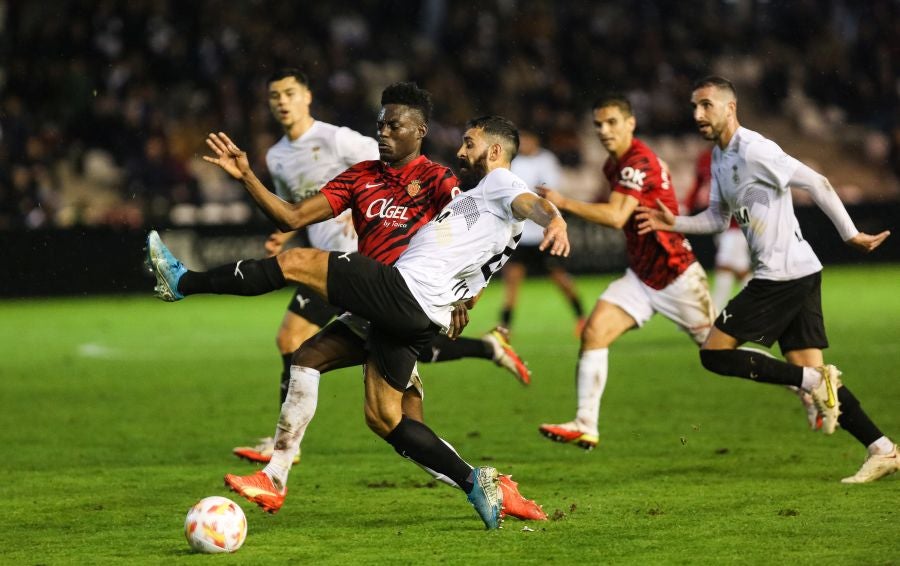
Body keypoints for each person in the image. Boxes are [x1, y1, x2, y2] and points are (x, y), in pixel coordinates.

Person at [148, 115, 569, 529]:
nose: (461, 150)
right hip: (420, 313)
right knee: (375, 410)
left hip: (404, 292)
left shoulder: (501, 183)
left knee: (296, 262)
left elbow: (531, 203)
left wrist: (555, 220)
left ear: (495, 150)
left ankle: (183, 281)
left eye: (469, 142)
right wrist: (463, 299)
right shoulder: (482, 204)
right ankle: (478, 482)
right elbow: (474, 264)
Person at [230, 72, 530, 465]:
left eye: (289, 93)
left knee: (348, 377)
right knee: (334, 371)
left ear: (307, 96)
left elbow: (463, 238)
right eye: (274, 95)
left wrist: (461, 293)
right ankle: (281, 460)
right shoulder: (276, 156)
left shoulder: (341, 141)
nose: (281, 101)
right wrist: (288, 230)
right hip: (361, 278)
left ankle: (283, 453)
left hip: (378, 276)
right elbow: (296, 210)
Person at [637, 75, 897, 483]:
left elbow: (817, 182)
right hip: (800, 272)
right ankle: (882, 448)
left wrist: (851, 234)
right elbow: (718, 219)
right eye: (694, 107)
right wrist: (676, 223)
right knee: (821, 386)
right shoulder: (720, 158)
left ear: (730, 107)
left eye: (706, 105)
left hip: (782, 277)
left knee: (714, 353)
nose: (697, 114)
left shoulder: (756, 149)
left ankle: (812, 381)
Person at [536, 95, 715, 450]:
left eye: (612, 122)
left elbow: (617, 216)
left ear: (631, 123)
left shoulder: (638, 162)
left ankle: (805, 382)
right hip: (642, 276)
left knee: (722, 355)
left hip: (676, 275)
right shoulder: (614, 166)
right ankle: (586, 423)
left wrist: (566, 202)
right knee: (594, 332)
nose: (604, 131)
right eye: (598, 125)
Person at [500, 129, 585, 334]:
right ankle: (505, 328)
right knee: (512, 280)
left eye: (529, 139)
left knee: (560, 277)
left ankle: (581, 317)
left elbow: (550, 192)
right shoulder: (515, 163)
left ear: (536, 140)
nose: (526, 143)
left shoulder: (546, 160)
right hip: (520, 233)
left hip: (543, 232)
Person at [684, 147, 752, 313]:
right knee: (740, 270)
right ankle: (763, 306)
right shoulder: (705, 158)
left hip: (737, 222)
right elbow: (698, 183)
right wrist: (686, 205)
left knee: (724, 264)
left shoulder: (738, 156)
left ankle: (714, 312)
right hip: (719, 222)